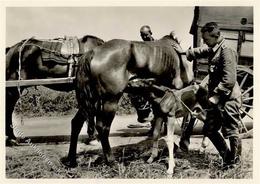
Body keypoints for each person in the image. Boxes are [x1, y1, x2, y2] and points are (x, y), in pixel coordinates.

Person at [185, 22, 242, 169]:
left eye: (206, 39)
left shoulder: (226, 50)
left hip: (228, 99)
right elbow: (203, 51)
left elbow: (229, 80)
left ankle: (234, 164)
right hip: (218, 100)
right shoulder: (215, 47)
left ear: (215, 35)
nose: (204, 41)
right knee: (209, 129)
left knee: (231, 130)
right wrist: (188, 53)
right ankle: (228, 158)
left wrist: (215, 96)